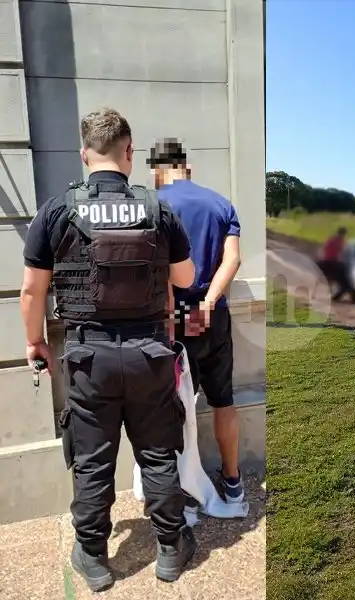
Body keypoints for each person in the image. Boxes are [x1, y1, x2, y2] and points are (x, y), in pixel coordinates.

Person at [20, 108, 197, 591]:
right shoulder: (158, 209)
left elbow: (33, 292)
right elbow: (185, 279)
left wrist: (35, 342)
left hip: (87, 360)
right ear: (130, 152)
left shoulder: (57, 211)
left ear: (83, 154)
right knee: (159, 455)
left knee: (94, 461)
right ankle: (169, 550)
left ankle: (94, 559)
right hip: (149, 356)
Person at [148, 138, 245, 508]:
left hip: (172, 319)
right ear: (185, 166)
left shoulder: (155, 205)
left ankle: (186, 492)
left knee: (177, 408)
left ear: (157, 171)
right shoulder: (221, 204)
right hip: (214, 314)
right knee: (224, 402)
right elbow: (232, 261)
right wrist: (209, 301)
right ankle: (233, 482)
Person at [318, 227, 351, 300]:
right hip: (334, 262)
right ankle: (339, 294)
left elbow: (323, 250)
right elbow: (342, 252)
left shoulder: (330, 239)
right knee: (345, 281)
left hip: (325, 261)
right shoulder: (341, 240)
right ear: (343, 234)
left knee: (328, 278)